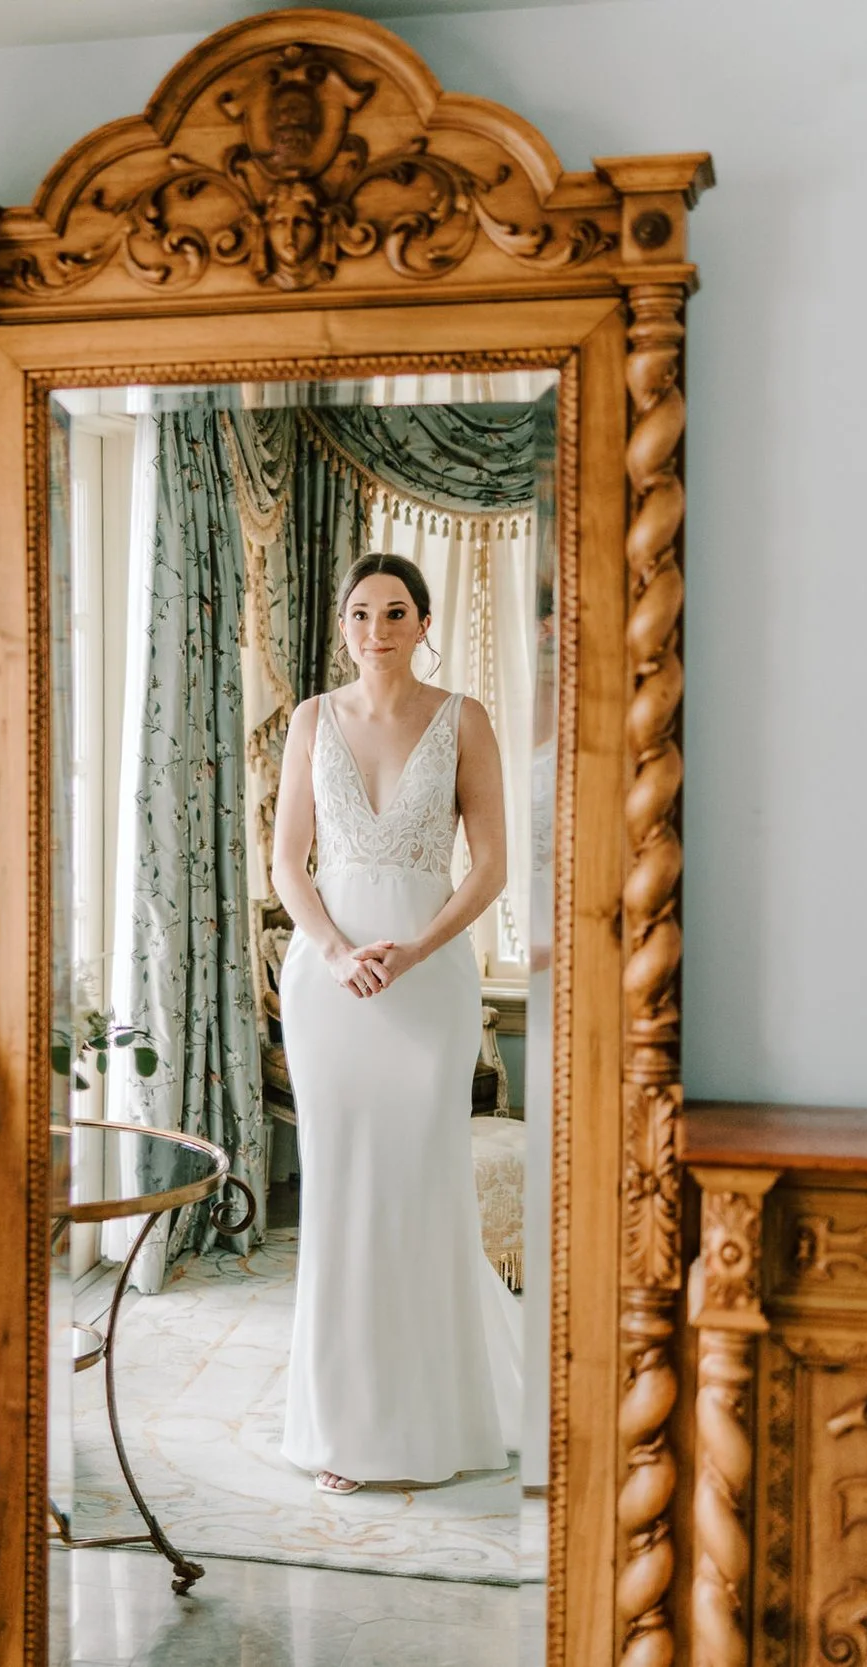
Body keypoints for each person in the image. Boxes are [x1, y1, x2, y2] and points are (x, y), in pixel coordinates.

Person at [271, 551, 524, 1493]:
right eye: (360, 614)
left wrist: (411, 951)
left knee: (417, 1187)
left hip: (428, 982)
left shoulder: (465, 719)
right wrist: (338, 953)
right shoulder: (310, 721)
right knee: (342, 1197)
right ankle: (342, 1427)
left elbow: (491, 866)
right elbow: (289, 864)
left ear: (424, 624)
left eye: (395, 612)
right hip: (328, 986)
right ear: (343, 626)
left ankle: (431, 1423)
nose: (376, 630)